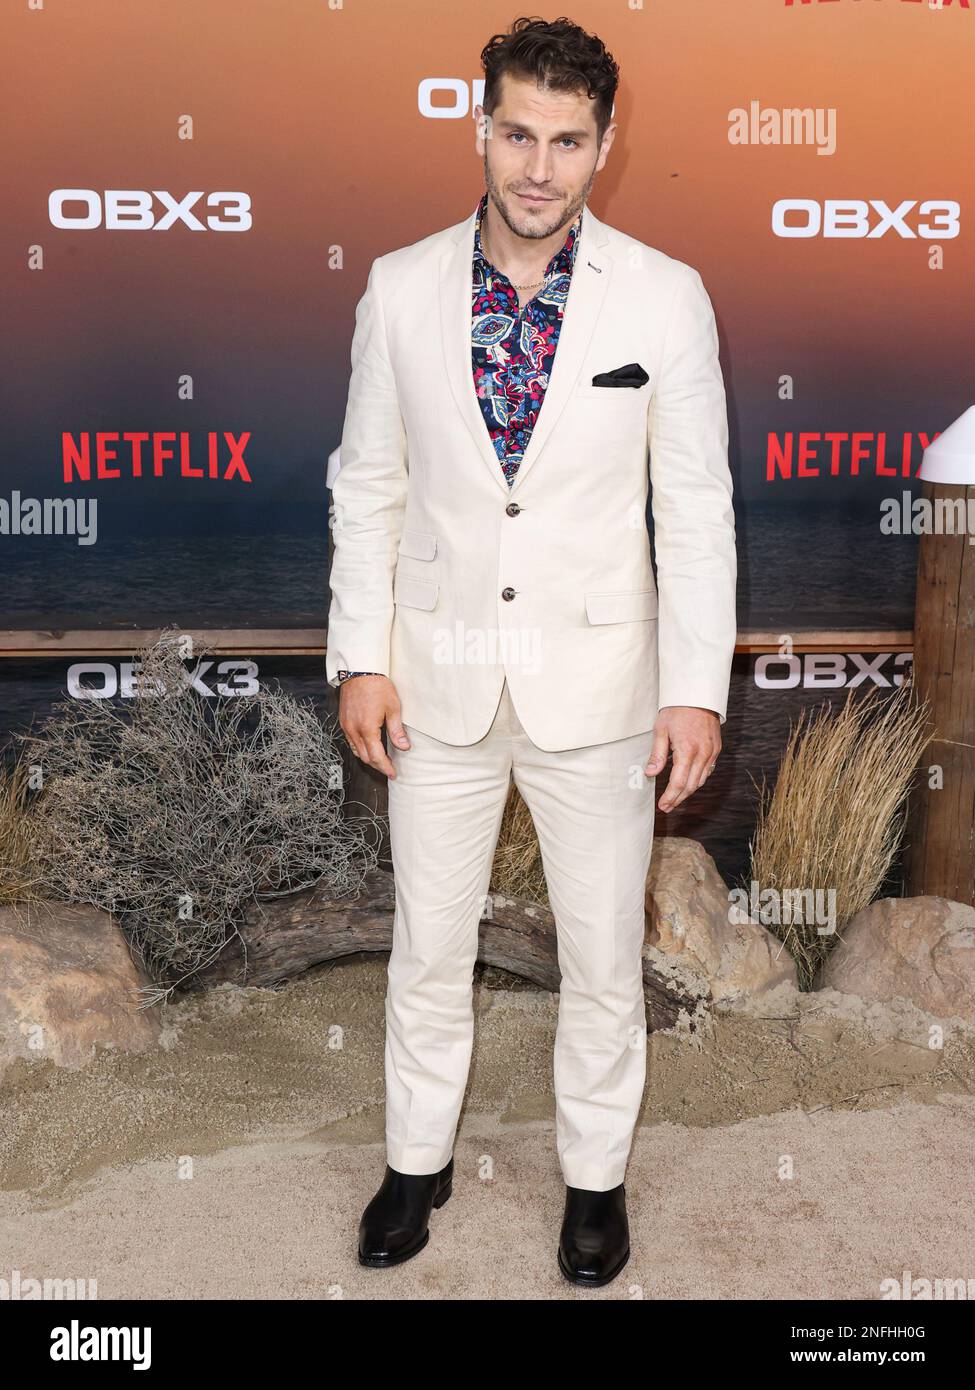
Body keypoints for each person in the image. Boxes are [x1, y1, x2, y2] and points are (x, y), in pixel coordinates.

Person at [326, 15, 736, 1288]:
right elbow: (368, 487)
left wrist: (693, 691)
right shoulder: (396, 286)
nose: (540, 166)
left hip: (604, 693)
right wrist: (361, 656)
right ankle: (414, 1162)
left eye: (568, 140)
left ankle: (596, 1185)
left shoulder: (666, 298)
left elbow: (699, 508)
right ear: (481, 128)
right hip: (435, 683)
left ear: (604, 146)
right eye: (518, 133)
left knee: (604, 959)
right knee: (428, 948)